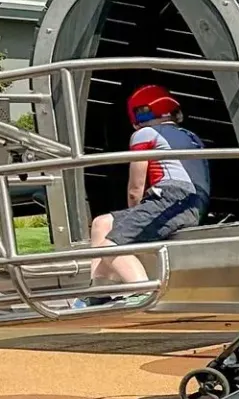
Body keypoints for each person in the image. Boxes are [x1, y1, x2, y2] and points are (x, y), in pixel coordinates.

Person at [89, 84, 211, 286]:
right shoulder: (191, 137)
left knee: (111, 246)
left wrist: (133, 219)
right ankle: (98, 289)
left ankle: (140, 290)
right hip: (193, 203)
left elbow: (135, 189)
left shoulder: (145, 134)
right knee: (101, 223)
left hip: (169, 198)